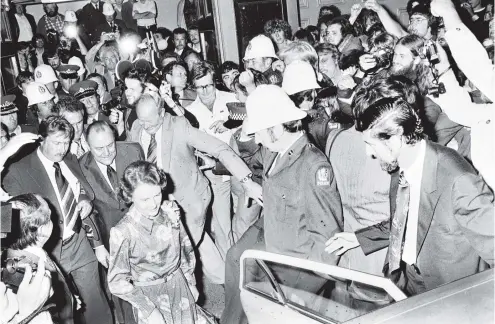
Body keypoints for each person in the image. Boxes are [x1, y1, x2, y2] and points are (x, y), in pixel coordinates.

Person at [353, 97, 494, 296]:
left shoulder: (458, 180)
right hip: (408, 281)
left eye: (371, 144)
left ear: (396, 138)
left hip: (450, 294)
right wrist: (360, 238)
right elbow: (407, 221)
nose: (369, 153)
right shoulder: (400, 167)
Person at [128, 93, 261, 284]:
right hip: (160, 204)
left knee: (178, 253)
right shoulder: (137, 127)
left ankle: (189, 296)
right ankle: (230, 282)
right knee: (201, 247)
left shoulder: (179, 126)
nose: (145, 126)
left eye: (150, 122)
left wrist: (247, 182)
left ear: (162, 112)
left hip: (190, 202)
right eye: (142, 121)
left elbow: (220, 149)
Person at [2, 116, 113, 323]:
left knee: (97, 304)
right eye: (57, 142)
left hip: (79, 244)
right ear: (41, 139)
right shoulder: (17, 171)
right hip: (47, 251)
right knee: (63, 312)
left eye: (66, 142)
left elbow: (83, 189)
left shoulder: (69, 159)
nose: (63, 148)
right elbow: (11, 223)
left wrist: (84, 200)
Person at [107, 161, 203, 324]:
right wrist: (148, 310)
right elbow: (116, 282)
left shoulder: (170, 210)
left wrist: (190, 281)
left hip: (179, 284)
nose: (153, 205)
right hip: (149, 295)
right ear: (129, 196)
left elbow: (185, 248)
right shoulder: (123, 232)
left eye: (157, 195)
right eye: (144, 199)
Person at [79, 121, 143, 324]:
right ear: (88, 146)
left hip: (141, 228)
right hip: (109, 236)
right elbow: (86, 210)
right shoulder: (80, 167)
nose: (107, 152)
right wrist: (98, 245)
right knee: (121, 287)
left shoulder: (133, 150)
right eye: (99, 148)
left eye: (110, 144)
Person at [186, 61, 238, 258]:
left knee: (244, 221)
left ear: (214, 81)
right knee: (223, 225)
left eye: (208, 85)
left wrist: (230, 124)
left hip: (238, 166)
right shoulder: (190, 111)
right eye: (200, 87)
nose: (205, 91)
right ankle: (228, 267)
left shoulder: (232, 99)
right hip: (215, 173)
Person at [3, 194, 77, 323]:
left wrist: (71, 298)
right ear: (43, 230)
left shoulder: (29, 254)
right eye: (50, 217)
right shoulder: (27, 274)